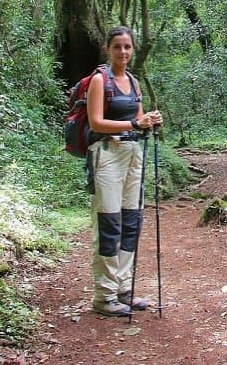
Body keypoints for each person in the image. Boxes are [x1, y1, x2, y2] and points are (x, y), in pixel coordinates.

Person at [86, 26, 163, 316]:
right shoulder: (99, 80)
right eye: (117, 46)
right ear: (107, 49)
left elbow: (139, 120)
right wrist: (133, 124)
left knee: (131, 222)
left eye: (127, 46)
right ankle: (104, 296)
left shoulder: (133, 81)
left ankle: (123, 288)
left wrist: (150, 120)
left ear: (133, 49)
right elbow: (96, 122)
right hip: (107, 155)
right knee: (109, 223)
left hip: (133, 154)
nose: (123, 52)